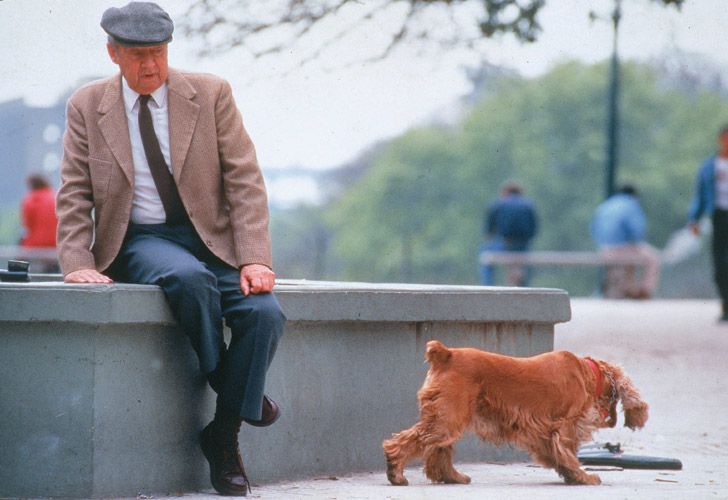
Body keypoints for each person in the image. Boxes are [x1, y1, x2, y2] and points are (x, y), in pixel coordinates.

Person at [55, 3, 285, 496]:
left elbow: (244, 179)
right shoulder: (87, 105)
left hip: (214, 240)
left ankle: (221, 436)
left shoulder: (210, 92)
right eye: (137, 56)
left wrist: (255, 257)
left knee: (264, 313)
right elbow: (74, 190)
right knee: (186, 279)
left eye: (158, 53)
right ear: (113, 53)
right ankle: (233, 387)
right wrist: (76, 262)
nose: (150, 66)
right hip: (139, 239)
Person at [590, 185, 661, 299]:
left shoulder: (605, 205)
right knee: (653, 257)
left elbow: (593, 228)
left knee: (625, 264)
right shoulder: (631, 204)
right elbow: (636, 230)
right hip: (621, 248)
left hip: (603, 249)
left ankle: (628, 288)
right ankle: (646, 290)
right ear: (634, 195)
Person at [688, 125, 728, 321]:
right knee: (720, 263)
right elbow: (701, 196)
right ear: (720, 140)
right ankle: (726, 304)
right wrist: (694, 218)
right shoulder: (709, 167)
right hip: (719, 216)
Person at [479, 181, 538, 286]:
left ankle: (487, 286)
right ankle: (524, 287)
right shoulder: (528, 205)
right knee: (523, 265)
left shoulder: (499, 204)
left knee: (485, 257)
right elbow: (534, 228)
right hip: (522, 245)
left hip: (504, 243)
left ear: (506, 192)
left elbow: (489, 230)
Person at [20, 173, 59, 273]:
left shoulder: (31, 199)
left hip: (35, 244)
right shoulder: (55, 196)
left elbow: (27, 224)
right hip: (56, 243)